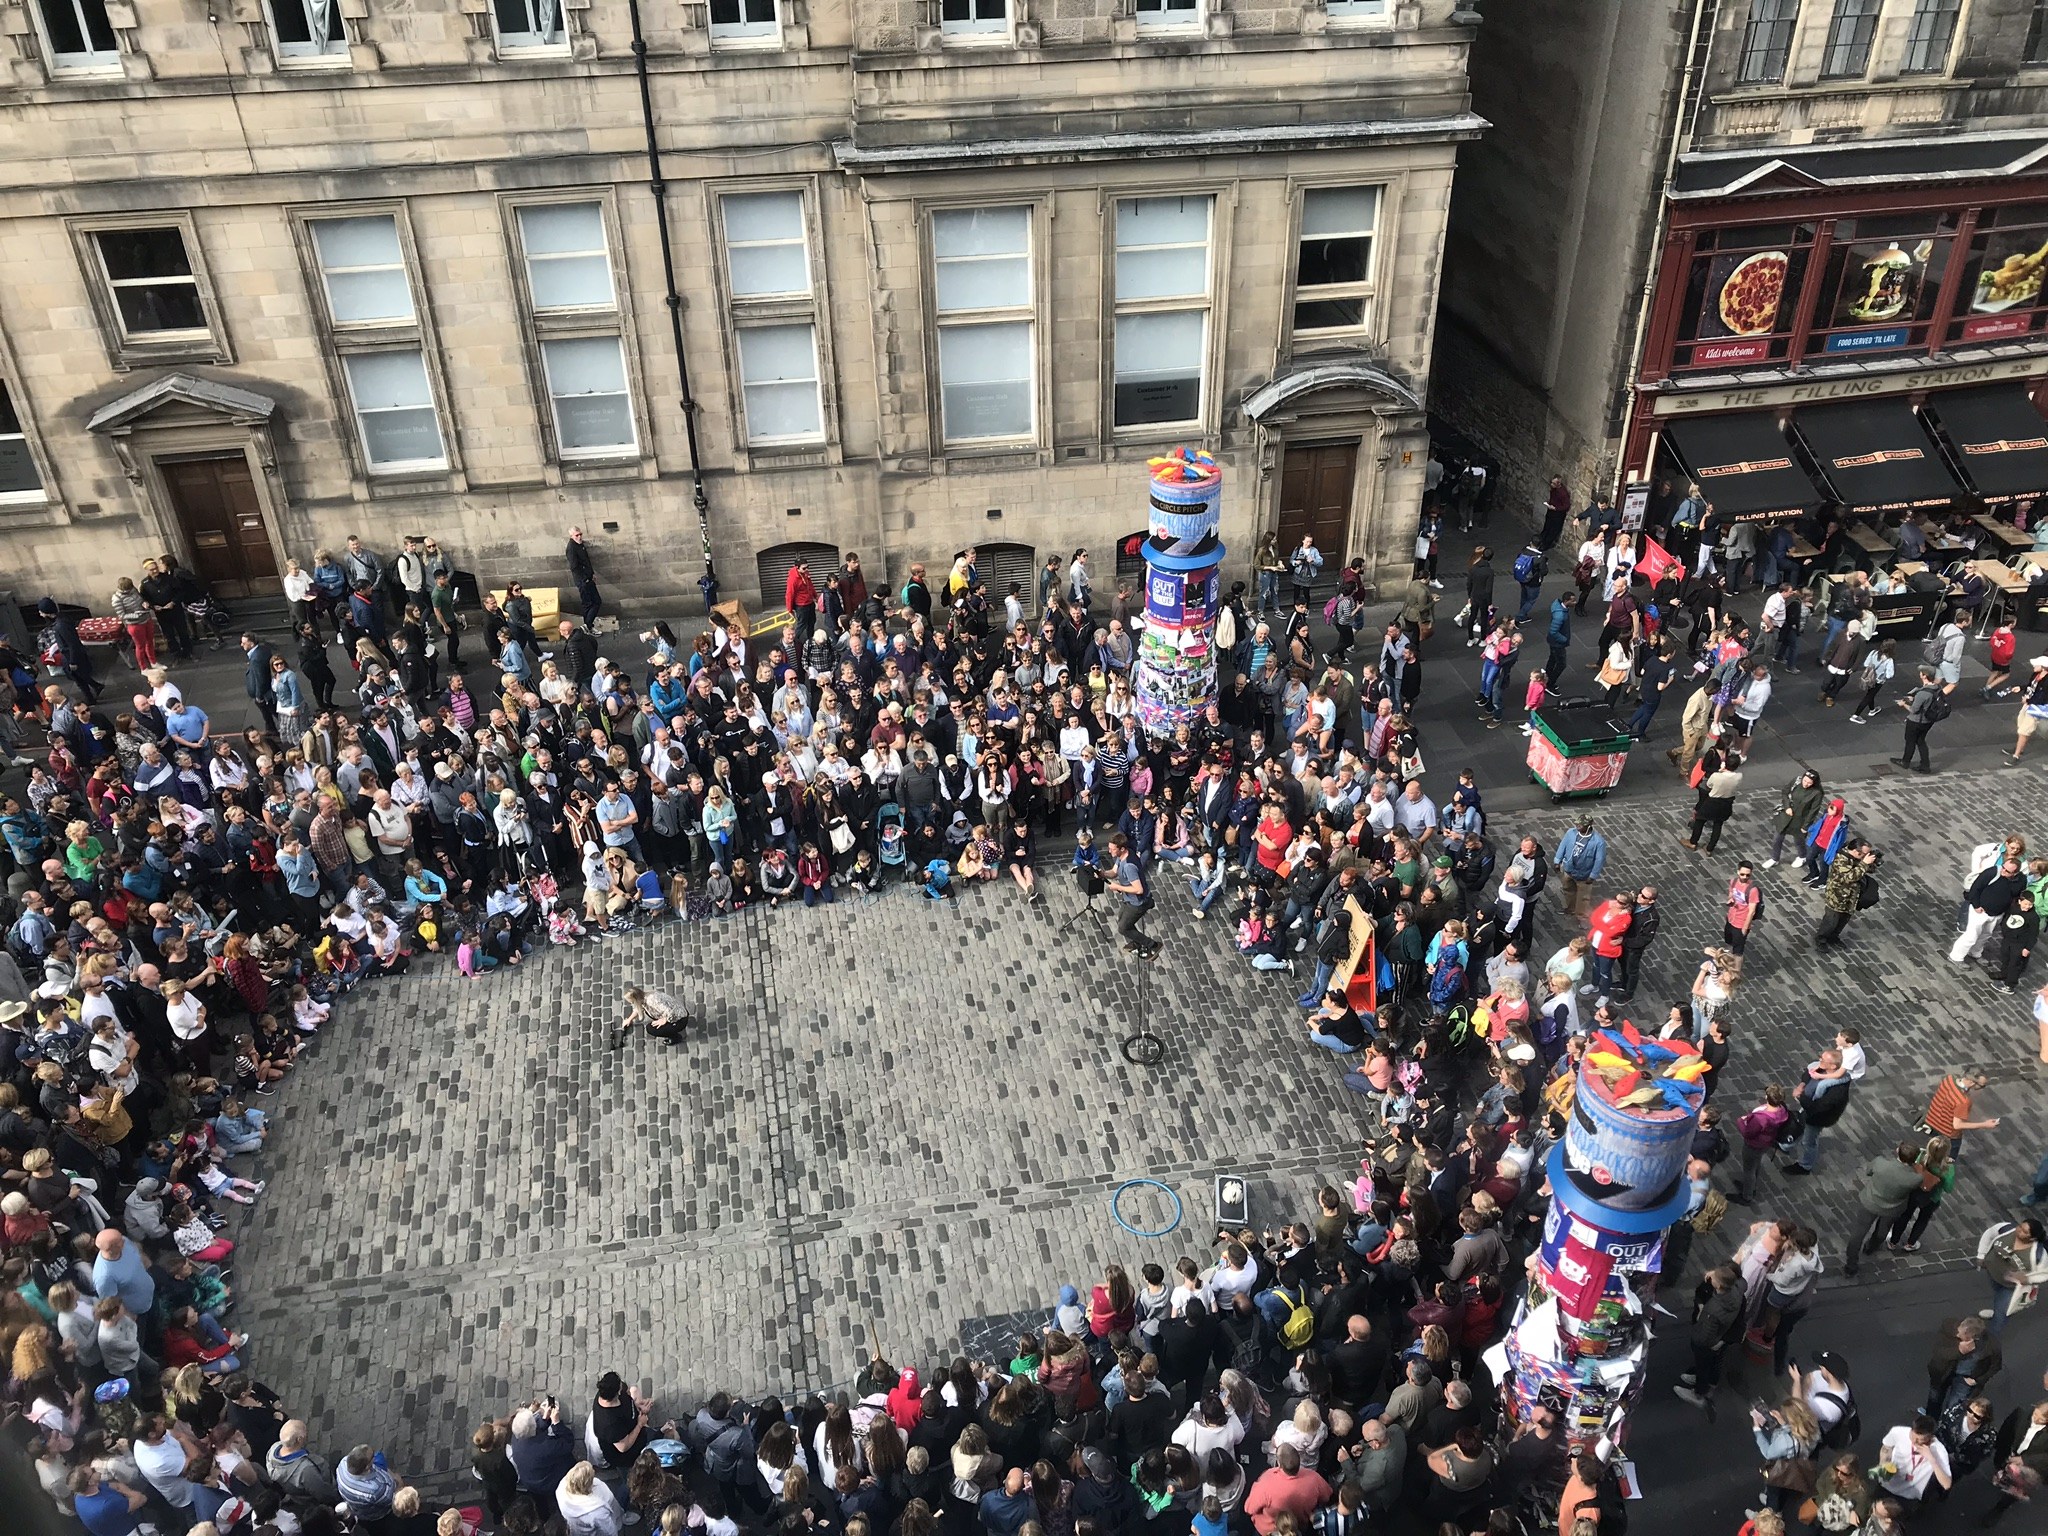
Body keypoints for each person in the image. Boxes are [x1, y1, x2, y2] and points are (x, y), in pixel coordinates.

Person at [1846, 1140, 1930, 1279]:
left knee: (1857, 1234)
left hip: (1869, 1202)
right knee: (1881, 1233)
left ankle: (1851, 1265)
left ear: (1897, 1151)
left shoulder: (1880, 1162)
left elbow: (1868, 1171)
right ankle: (1870, 1247)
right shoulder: (1914, 1178)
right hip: (1892, 1209)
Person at [1979, 1218, 2048, 1335]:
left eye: (2024, 1232)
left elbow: (2045, 1273)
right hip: (1994, 1275)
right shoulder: (2006, 1229)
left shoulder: (2039, 1255)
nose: (2019, 1231)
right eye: (2020, 1227)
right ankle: (1996, 1311)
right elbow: (1990, 1233)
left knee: (2002, 1314)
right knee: (1997, 1295)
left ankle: (1991, 1338)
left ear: (2032, 1238)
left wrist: (2028, 1279)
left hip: (2011, 1287)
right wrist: (1981, 1254)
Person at [1105, 831, 1157, 958]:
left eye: (1112, 849)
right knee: (1121, 920)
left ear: (1121, 849)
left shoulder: (1129, 866)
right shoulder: (1121, 856)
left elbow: (1138, 889)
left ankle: (1152, 945)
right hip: (1129, 899)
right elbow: (1113, 872)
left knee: (1123, 928)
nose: (1109, 851)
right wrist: (1102, 874)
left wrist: (1118, 887)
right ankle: (1137, 942)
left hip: (1137, 902)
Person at [1896, 665, 1944, 773]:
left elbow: (1914, 710)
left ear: (1924, 676)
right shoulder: (1937, 688)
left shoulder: (1923, 694)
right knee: (1921, 741)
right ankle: (1925, 765)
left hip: (1916, 721)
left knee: (1910, 740)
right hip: (1928, 721)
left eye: (1921, 673)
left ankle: (1905, 761)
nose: (1920, 674)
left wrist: (1903, 704)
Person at [613, 987, 689, 1050]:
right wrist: (629, 1019)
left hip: (679, 1019)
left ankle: (676, 1037)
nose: (630, 1003)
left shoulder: (652, 1001)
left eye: (631, 1001)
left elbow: (671, 1012)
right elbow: (638, 1008)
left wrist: (664, 1020)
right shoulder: (644, 996)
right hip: (674, 1012)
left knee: (651, 1029)